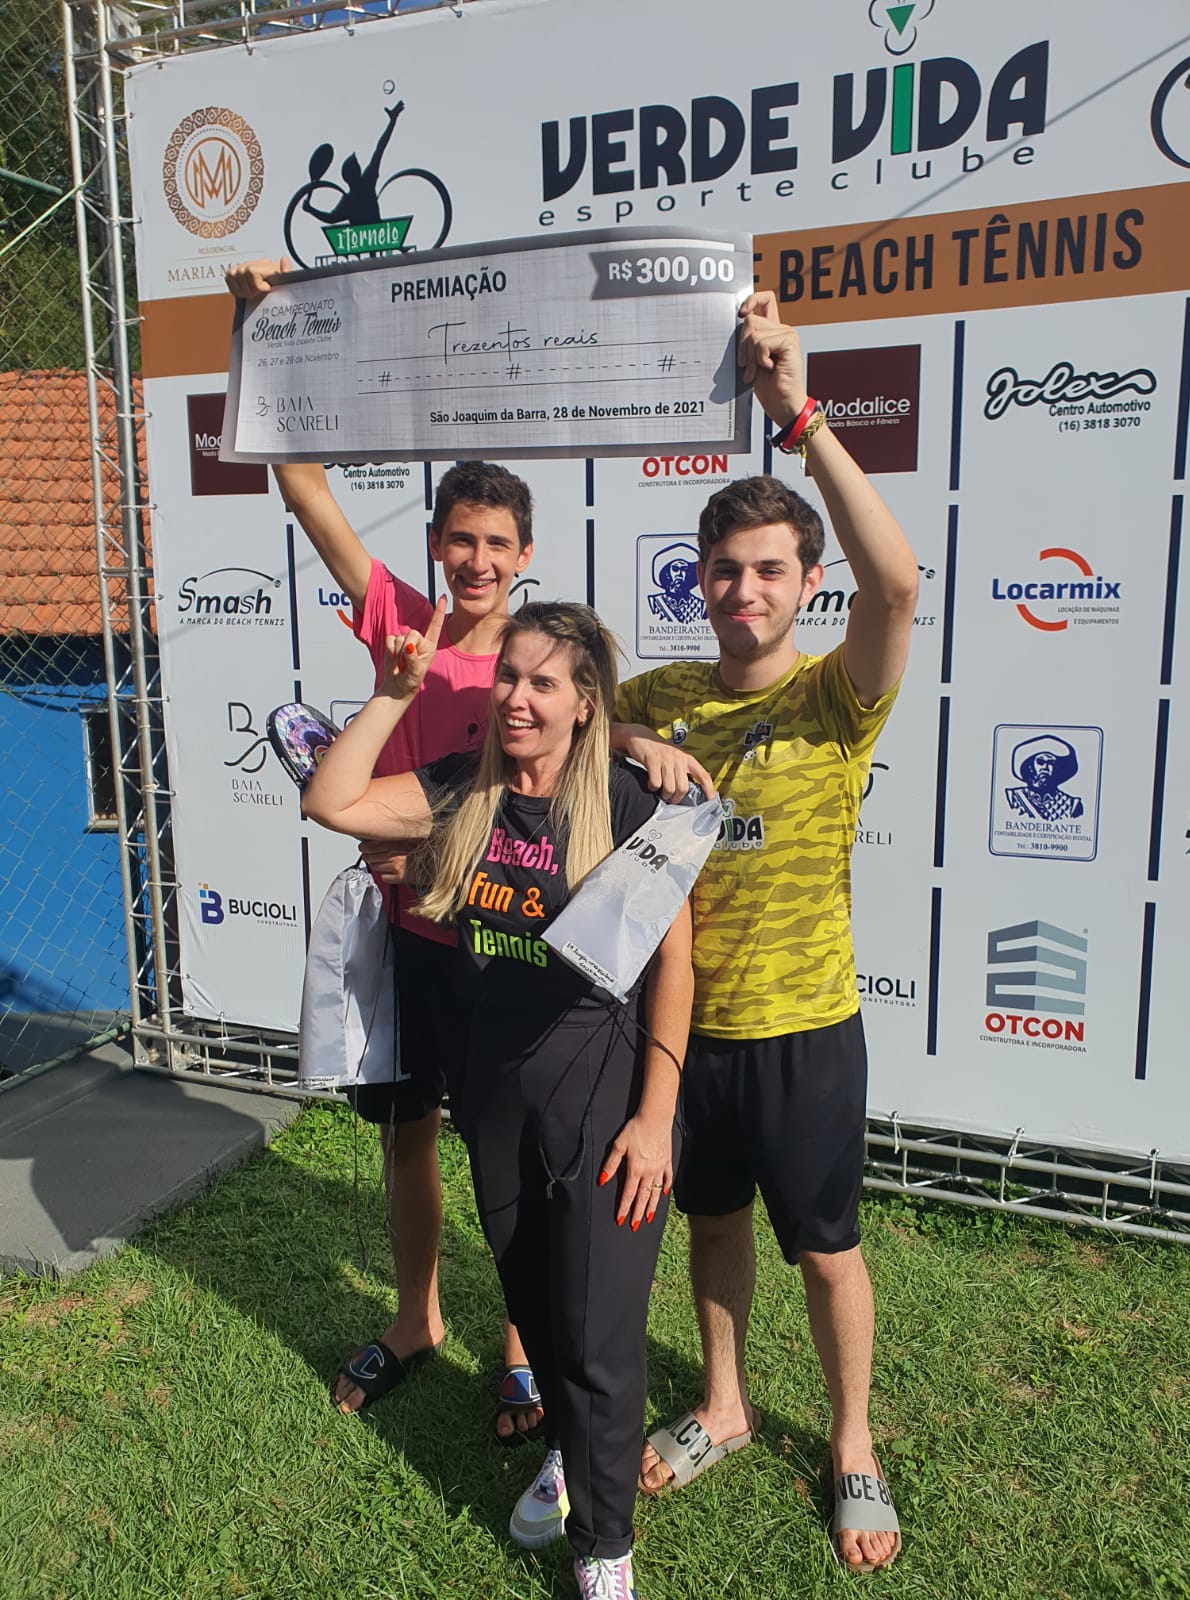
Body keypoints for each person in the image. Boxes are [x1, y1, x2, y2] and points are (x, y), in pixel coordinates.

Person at [302, 597, 693, 1600]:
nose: (517, 697)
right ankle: (570, 1447)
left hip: (606, 1095)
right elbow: (332, 801)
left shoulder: (628, 804)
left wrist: (656, 1118)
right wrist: (394, 692)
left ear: (584, 701)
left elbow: (675, 967)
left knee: (599, 1330)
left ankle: (604, 1548)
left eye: (543, 682)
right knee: (533, 1300)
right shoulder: (461, 789)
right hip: (498, 1096)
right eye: (508, 676)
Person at [615, 291, 920, 1572]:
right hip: (689, 1033)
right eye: (724, 569)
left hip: (807, 1029)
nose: (743, 588)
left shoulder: (836, 696)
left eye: (770, 570)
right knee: (714, 1226)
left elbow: (898, 581)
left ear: (806, 583)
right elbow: (571, 720)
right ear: (698, 580)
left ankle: (851, 1441)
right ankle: (727, 1404)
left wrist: (802, 418)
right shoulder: (663, 689)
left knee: (829, 1250)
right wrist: (631, 736)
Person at [228, 248, 547, 1440]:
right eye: (460, 539)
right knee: (409, 1138)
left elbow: (574, 785)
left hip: (504, 944)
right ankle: (418, 1320)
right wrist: (259, 330)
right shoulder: (399, 624)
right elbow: (303, 485)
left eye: (497, 543)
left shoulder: (548, 658)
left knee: (508, 1156)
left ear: (525, 554)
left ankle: (522, 1347)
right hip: (410, 938)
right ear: (436, 544)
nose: (477, 560)